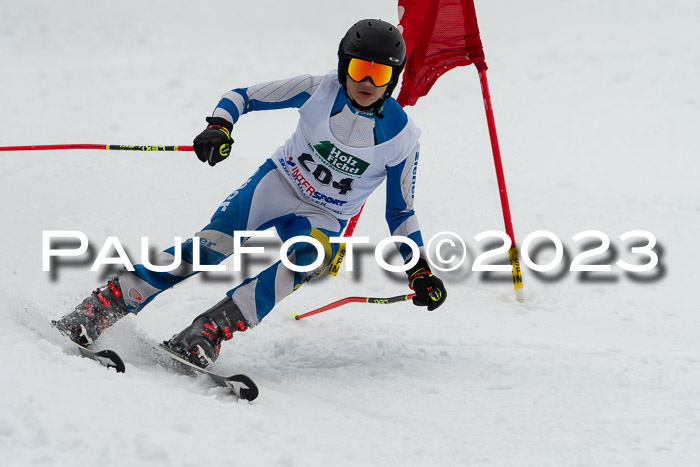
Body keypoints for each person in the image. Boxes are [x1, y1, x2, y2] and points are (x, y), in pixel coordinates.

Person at [54, 19, 447, 368]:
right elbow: (242, 96)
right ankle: (104, 306)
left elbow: (401, 214)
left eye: (380, 76)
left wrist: (419, 269)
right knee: (211, 248)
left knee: (307, 259)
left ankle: (207, 331)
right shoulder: (318, 90)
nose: (367, 83)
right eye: (360, 69)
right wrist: (219, 127)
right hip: (276, 185)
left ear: (392, 79)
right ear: (345, 66)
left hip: (323, 217)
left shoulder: (403, 138)